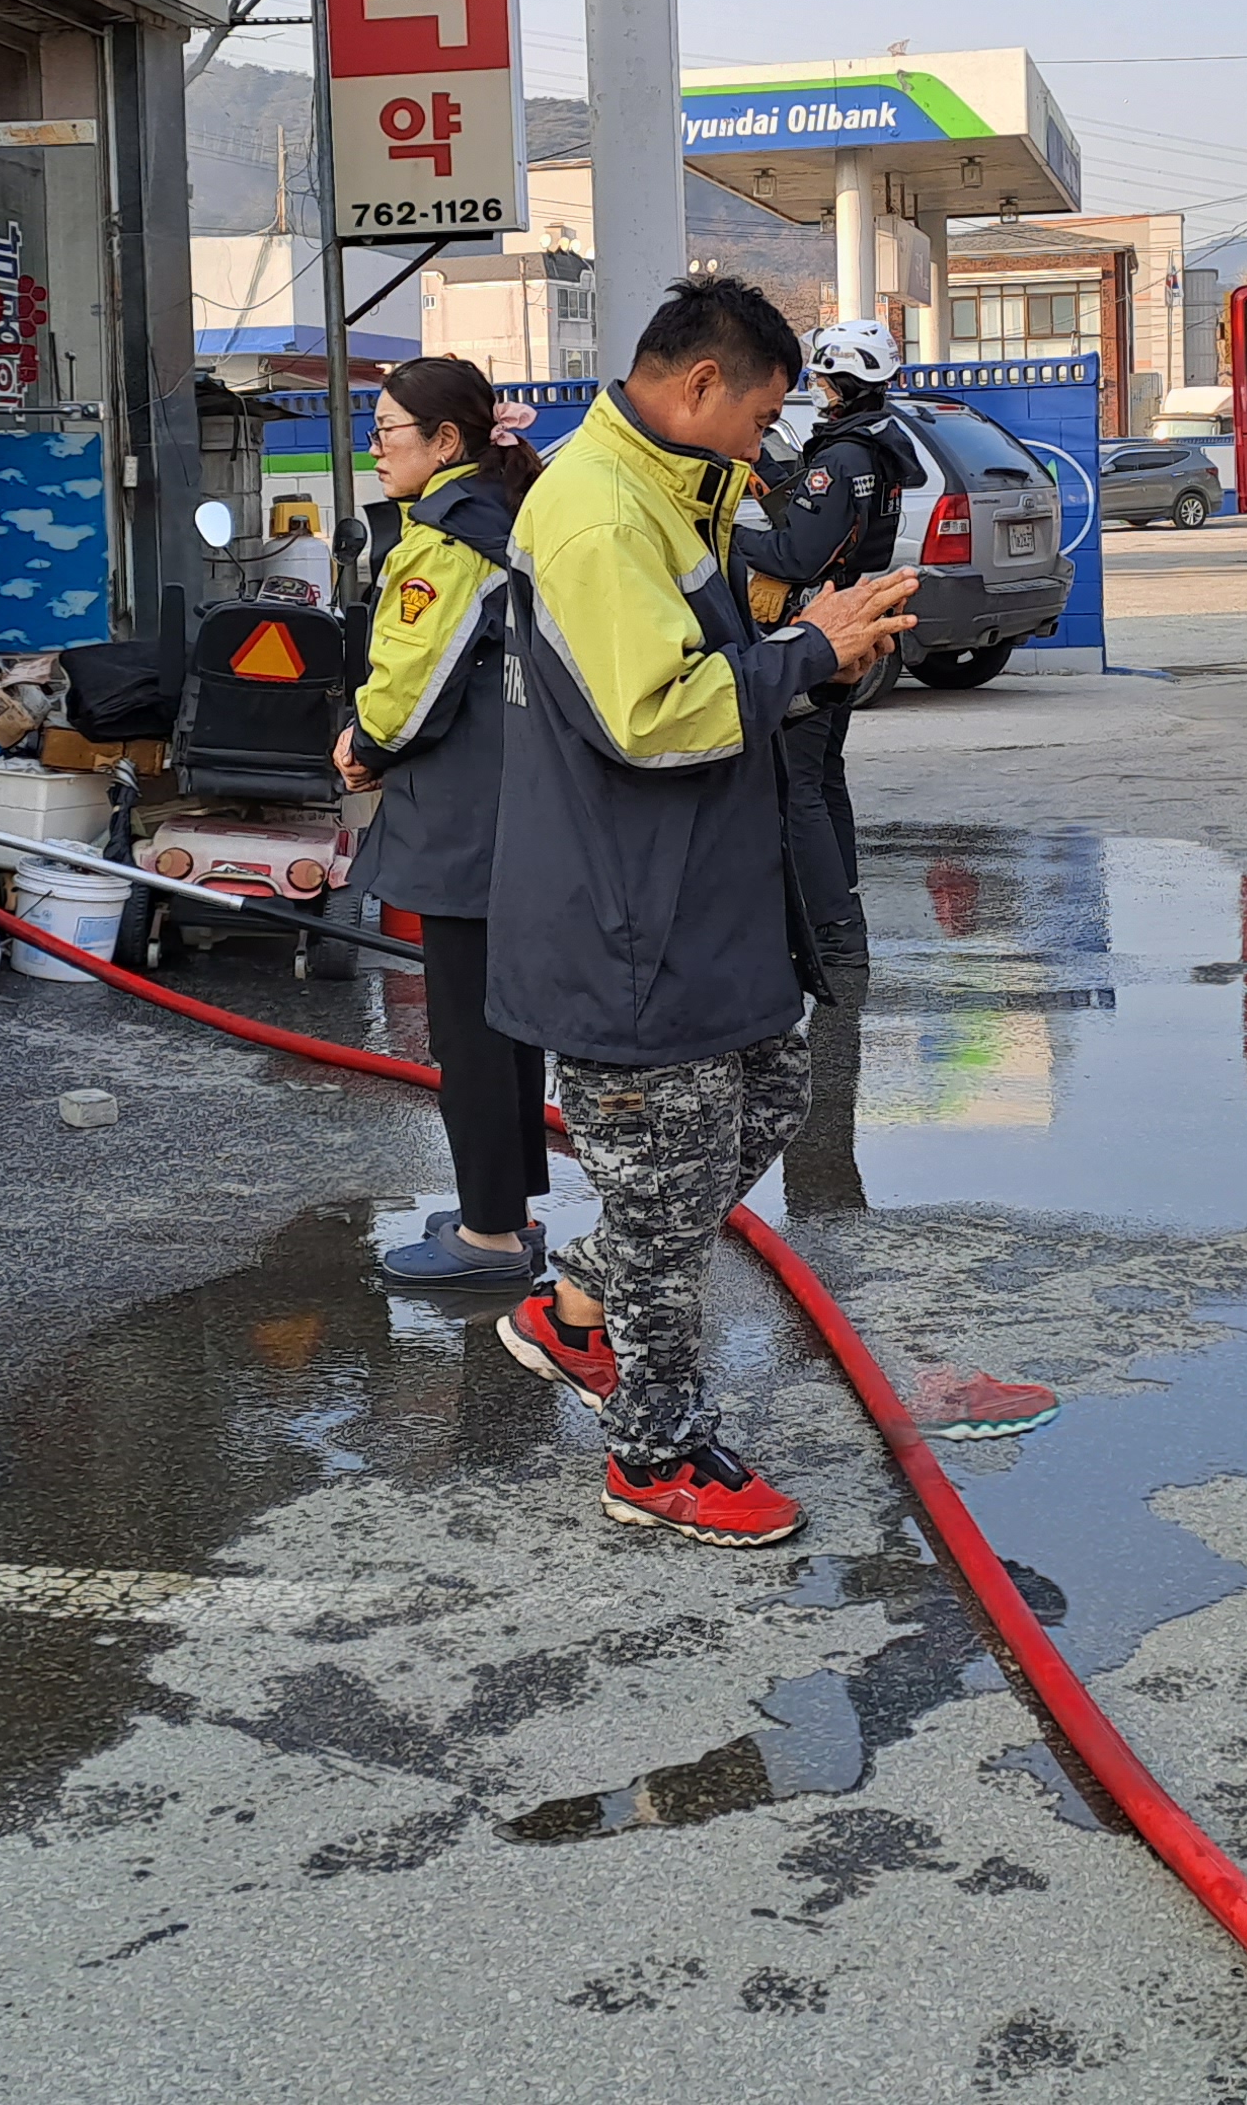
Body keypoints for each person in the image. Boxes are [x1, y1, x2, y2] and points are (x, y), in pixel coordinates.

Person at [485, 277, 923, 1549]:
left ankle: (575, 1306)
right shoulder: (599, 512)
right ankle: (656, 1455)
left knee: (769, 1101)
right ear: (700, 385)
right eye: (763, 413)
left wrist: (820, 650)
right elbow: (652, 716)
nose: (768, 440)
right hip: (629, 924)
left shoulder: (676, 485)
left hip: (702, 909)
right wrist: (808, 652)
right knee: (668, 1205)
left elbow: (718, 663)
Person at [332, 358, 550, 1288]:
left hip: (463, 817)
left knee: (469, 1032)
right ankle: (504, 1211)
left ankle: (490, 1235)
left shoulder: (445, 540)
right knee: (505, 1022)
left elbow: (410, 685)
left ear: (446, 441)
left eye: (387, 431)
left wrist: (363, 743)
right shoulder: (505, 514)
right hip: (510, 804)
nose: (376, 450)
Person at [736, 317, 926, 967]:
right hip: (850, 621)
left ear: (842, 383)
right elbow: (827, 529)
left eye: (821, 379)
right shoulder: (877, 447)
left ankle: (834, 934)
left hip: (819, 627)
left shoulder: (841, 459)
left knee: (799, 788)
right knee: (824, 776)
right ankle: (843, 912)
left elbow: (797, 554)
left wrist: (723, 537)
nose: (816, 388)